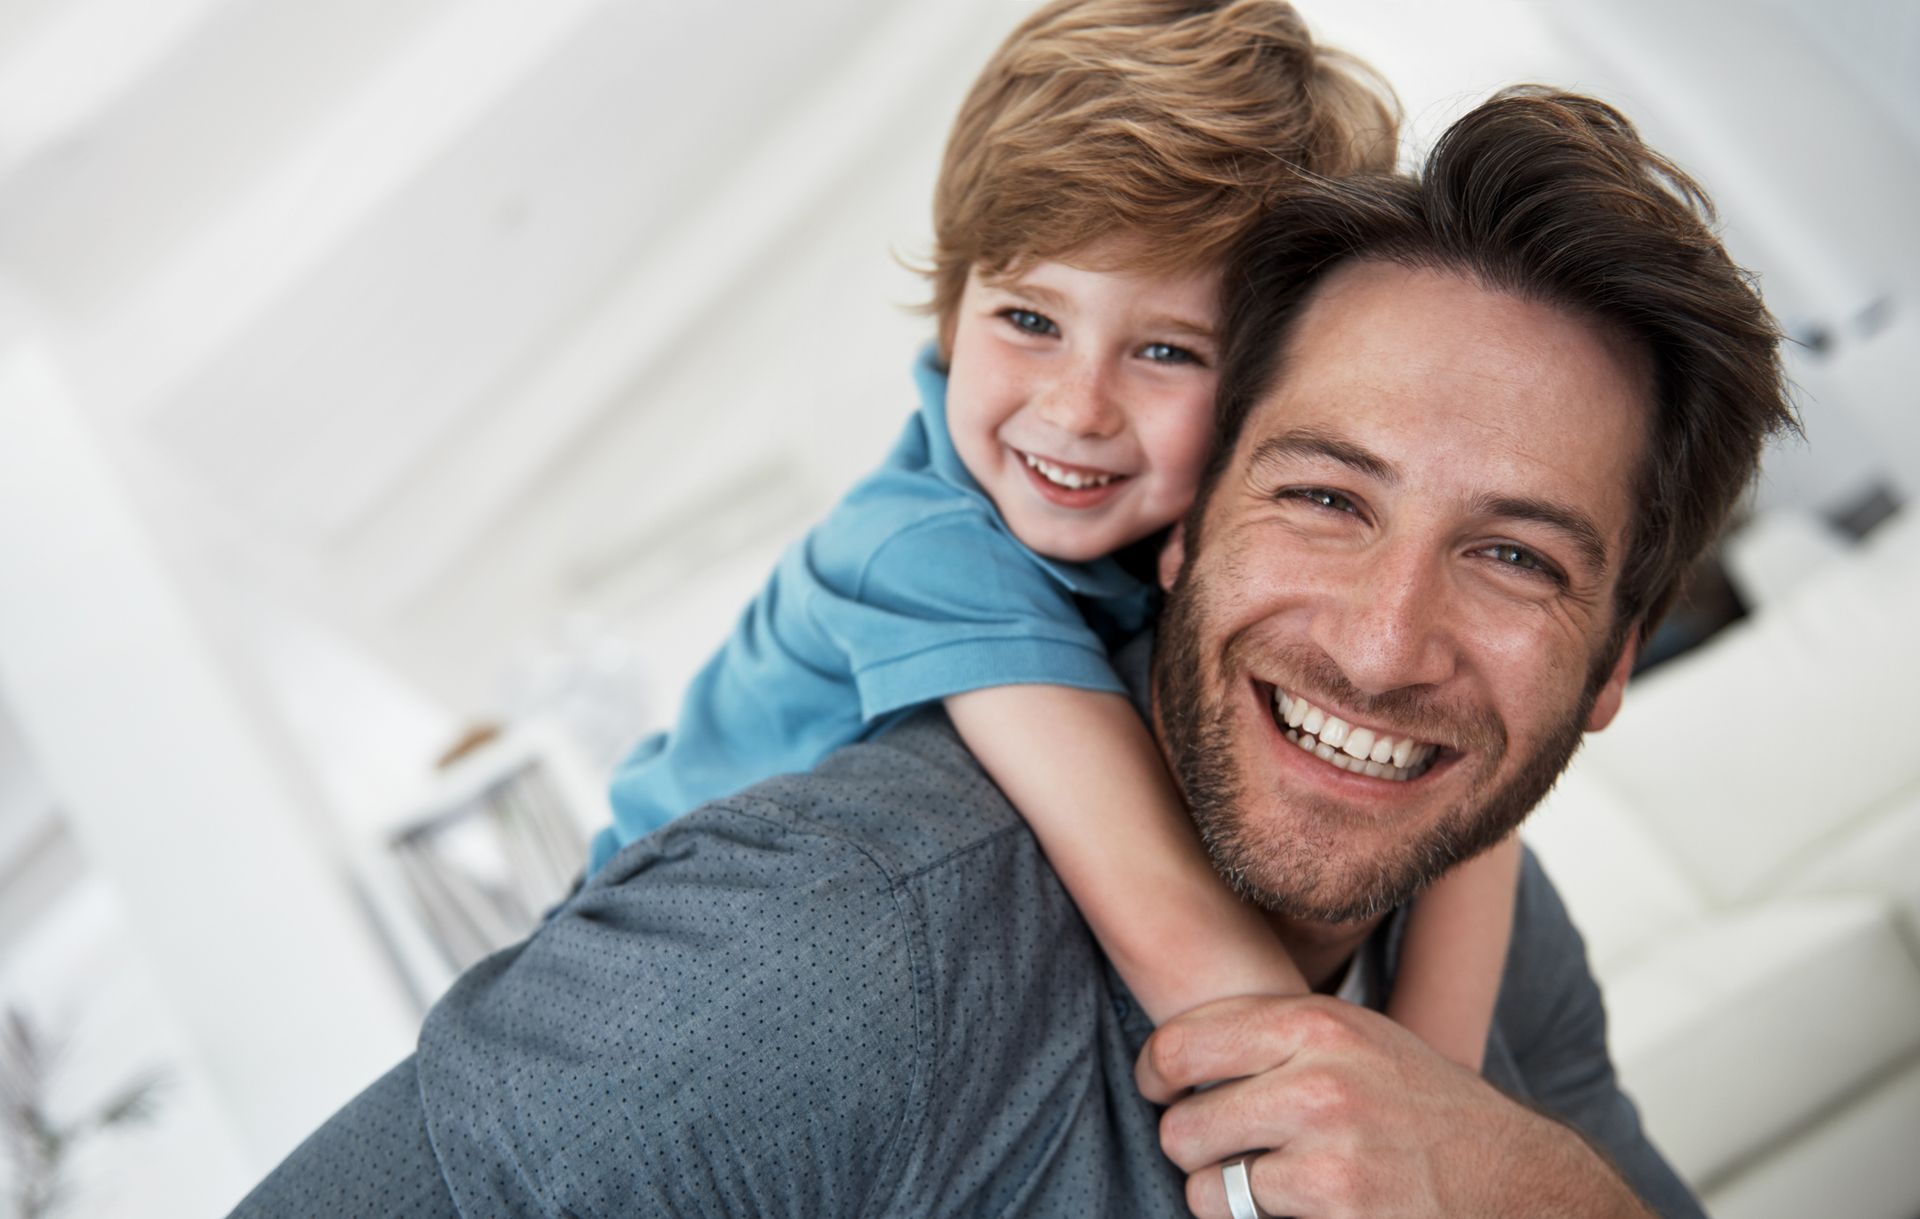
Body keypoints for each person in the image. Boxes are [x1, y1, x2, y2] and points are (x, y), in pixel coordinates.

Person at [230, 88, 1792, 1218]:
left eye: (1515, 556)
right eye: (1324, 496)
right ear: (1182, 535)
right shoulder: (823, 938)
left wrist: (1518, 1176)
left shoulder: (1484, 906)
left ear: (1610, 669)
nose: (1386, 645)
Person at [586, 0, 1519, 1073]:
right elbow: (1175, 929)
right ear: (951, 309)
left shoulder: (1197, 539)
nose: (1077, 408)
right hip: (648, 977)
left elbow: (1480, 816)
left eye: (1167, 351)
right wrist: (1406, 1135)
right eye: (1030, 320)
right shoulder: (918, 549)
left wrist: (1445, 1090)